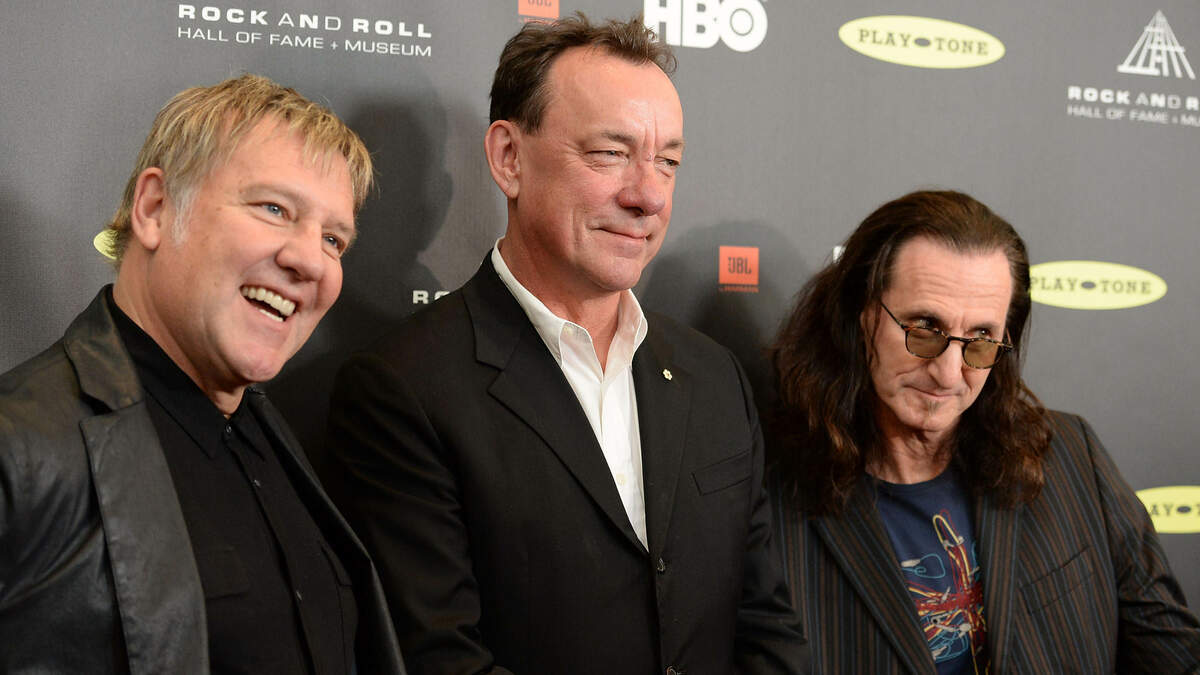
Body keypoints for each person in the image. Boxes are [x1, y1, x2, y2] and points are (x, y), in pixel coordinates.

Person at [327, 14, 807, 675]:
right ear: (509, 158)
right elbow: (440, 659)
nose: (647, 195)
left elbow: (765, 626)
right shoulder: (406, 389)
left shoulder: (714, 376)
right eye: (610, 153)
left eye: (667, 162)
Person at [0, 74, 405, 674]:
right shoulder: (18, 446)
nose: (310, 261)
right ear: (155, 209)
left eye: (333, 239)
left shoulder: (276, 440)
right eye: (274, 209)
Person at [769, 189, 1200, 673]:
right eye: (924, 328)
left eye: (980, 339)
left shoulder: (1073, 457)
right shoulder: (769, 504)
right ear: (860, 315)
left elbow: (1176, 657)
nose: (948, 373)